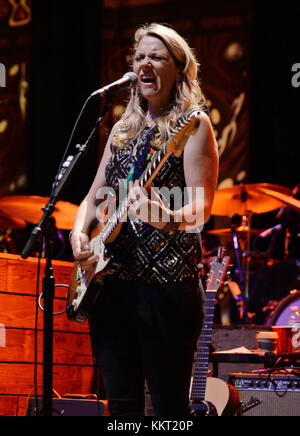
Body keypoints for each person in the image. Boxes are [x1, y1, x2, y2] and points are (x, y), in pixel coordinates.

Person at [69, 22, 219, 416]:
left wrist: (165, 216)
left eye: (156, 56)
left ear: (179, 68)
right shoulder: (121, 129)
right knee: (121, 406)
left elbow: (202, 209)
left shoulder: (193, 124)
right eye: (139, 57)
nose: (145, 64)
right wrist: (78, 231)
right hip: (112, 285)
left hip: (166, 289)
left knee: (169, 408)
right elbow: (93, 196)